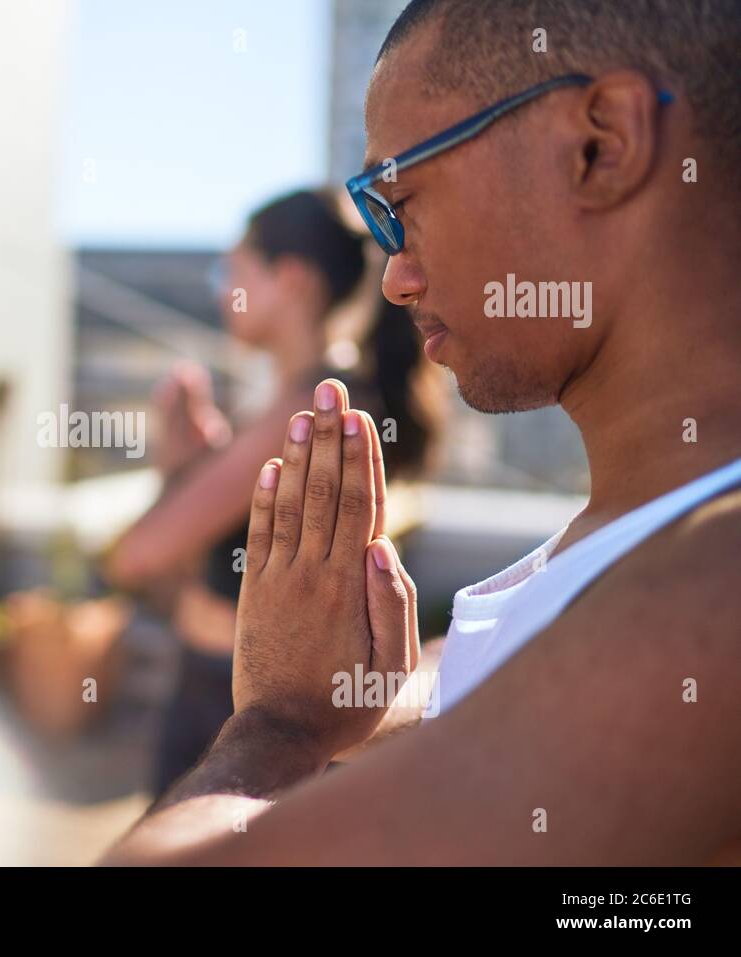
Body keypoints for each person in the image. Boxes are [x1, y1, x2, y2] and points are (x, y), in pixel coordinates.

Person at [104, 0, 741, 864]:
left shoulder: (709, 594)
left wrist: (278, 725)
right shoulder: (643, 544)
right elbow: (510, 669)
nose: (397, 275)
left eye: (398, 196)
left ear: (602, 145)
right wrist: (370, 691)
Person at [100, 190, 439, 795]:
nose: (220, 289)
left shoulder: (308, 410)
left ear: (290, 279)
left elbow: (136, 556)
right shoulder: (327, 395)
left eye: (232, 270)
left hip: (233, 705)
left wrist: (179, 471)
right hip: (246, 697)